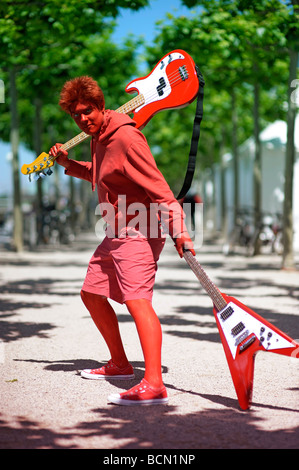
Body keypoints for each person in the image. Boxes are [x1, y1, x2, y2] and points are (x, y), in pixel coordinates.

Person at [49, 76, 195, 406]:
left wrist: (181, 231)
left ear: (101, 106)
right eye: (76, 115)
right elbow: (101, 173)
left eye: (87, 111)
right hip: (116, 229)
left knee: (137, 300)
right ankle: (119, 364)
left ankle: (154, 383)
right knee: (91, 293)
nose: (83, 119)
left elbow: (162, 191)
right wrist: (68, 165)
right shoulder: (97, 137)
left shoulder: (127, 137)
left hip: (140, 229)